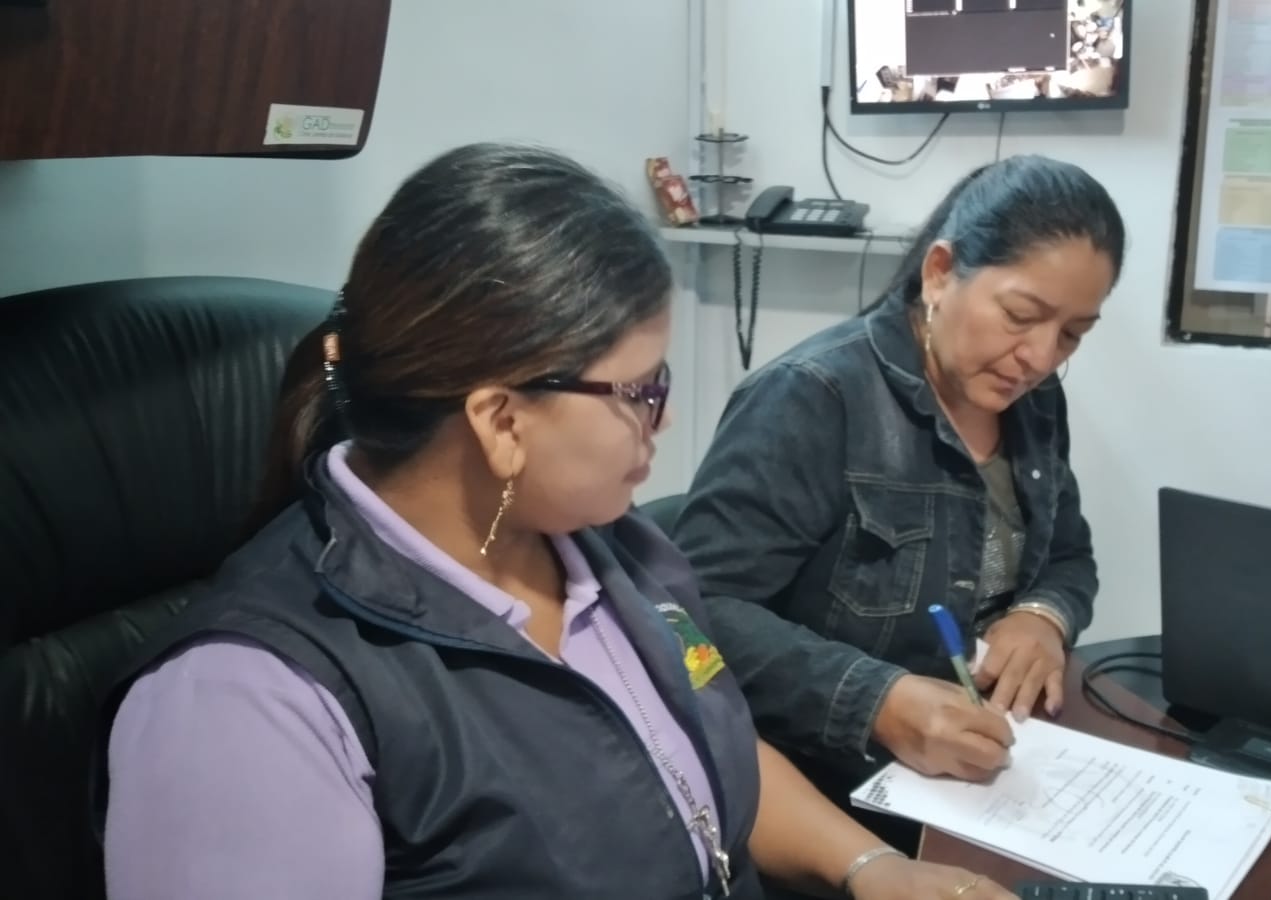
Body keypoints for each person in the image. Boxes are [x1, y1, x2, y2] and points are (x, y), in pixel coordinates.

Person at [94, 144, 1016, 900]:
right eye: (641, 390)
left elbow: (701, 753)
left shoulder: (610, 547)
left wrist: (871, 867)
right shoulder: (242, 708)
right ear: (502, 421)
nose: (664, 418)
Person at [671, 155, 1126, 851]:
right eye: (1021, 316)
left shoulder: (1035, 405)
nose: (1039, 358)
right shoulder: (815, 397)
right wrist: (875, 700)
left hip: (989, 772)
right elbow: (693, 615)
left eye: (1072, 335)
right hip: (828, 789)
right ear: (940, 273)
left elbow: (1068, 555)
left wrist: (1043, 616)